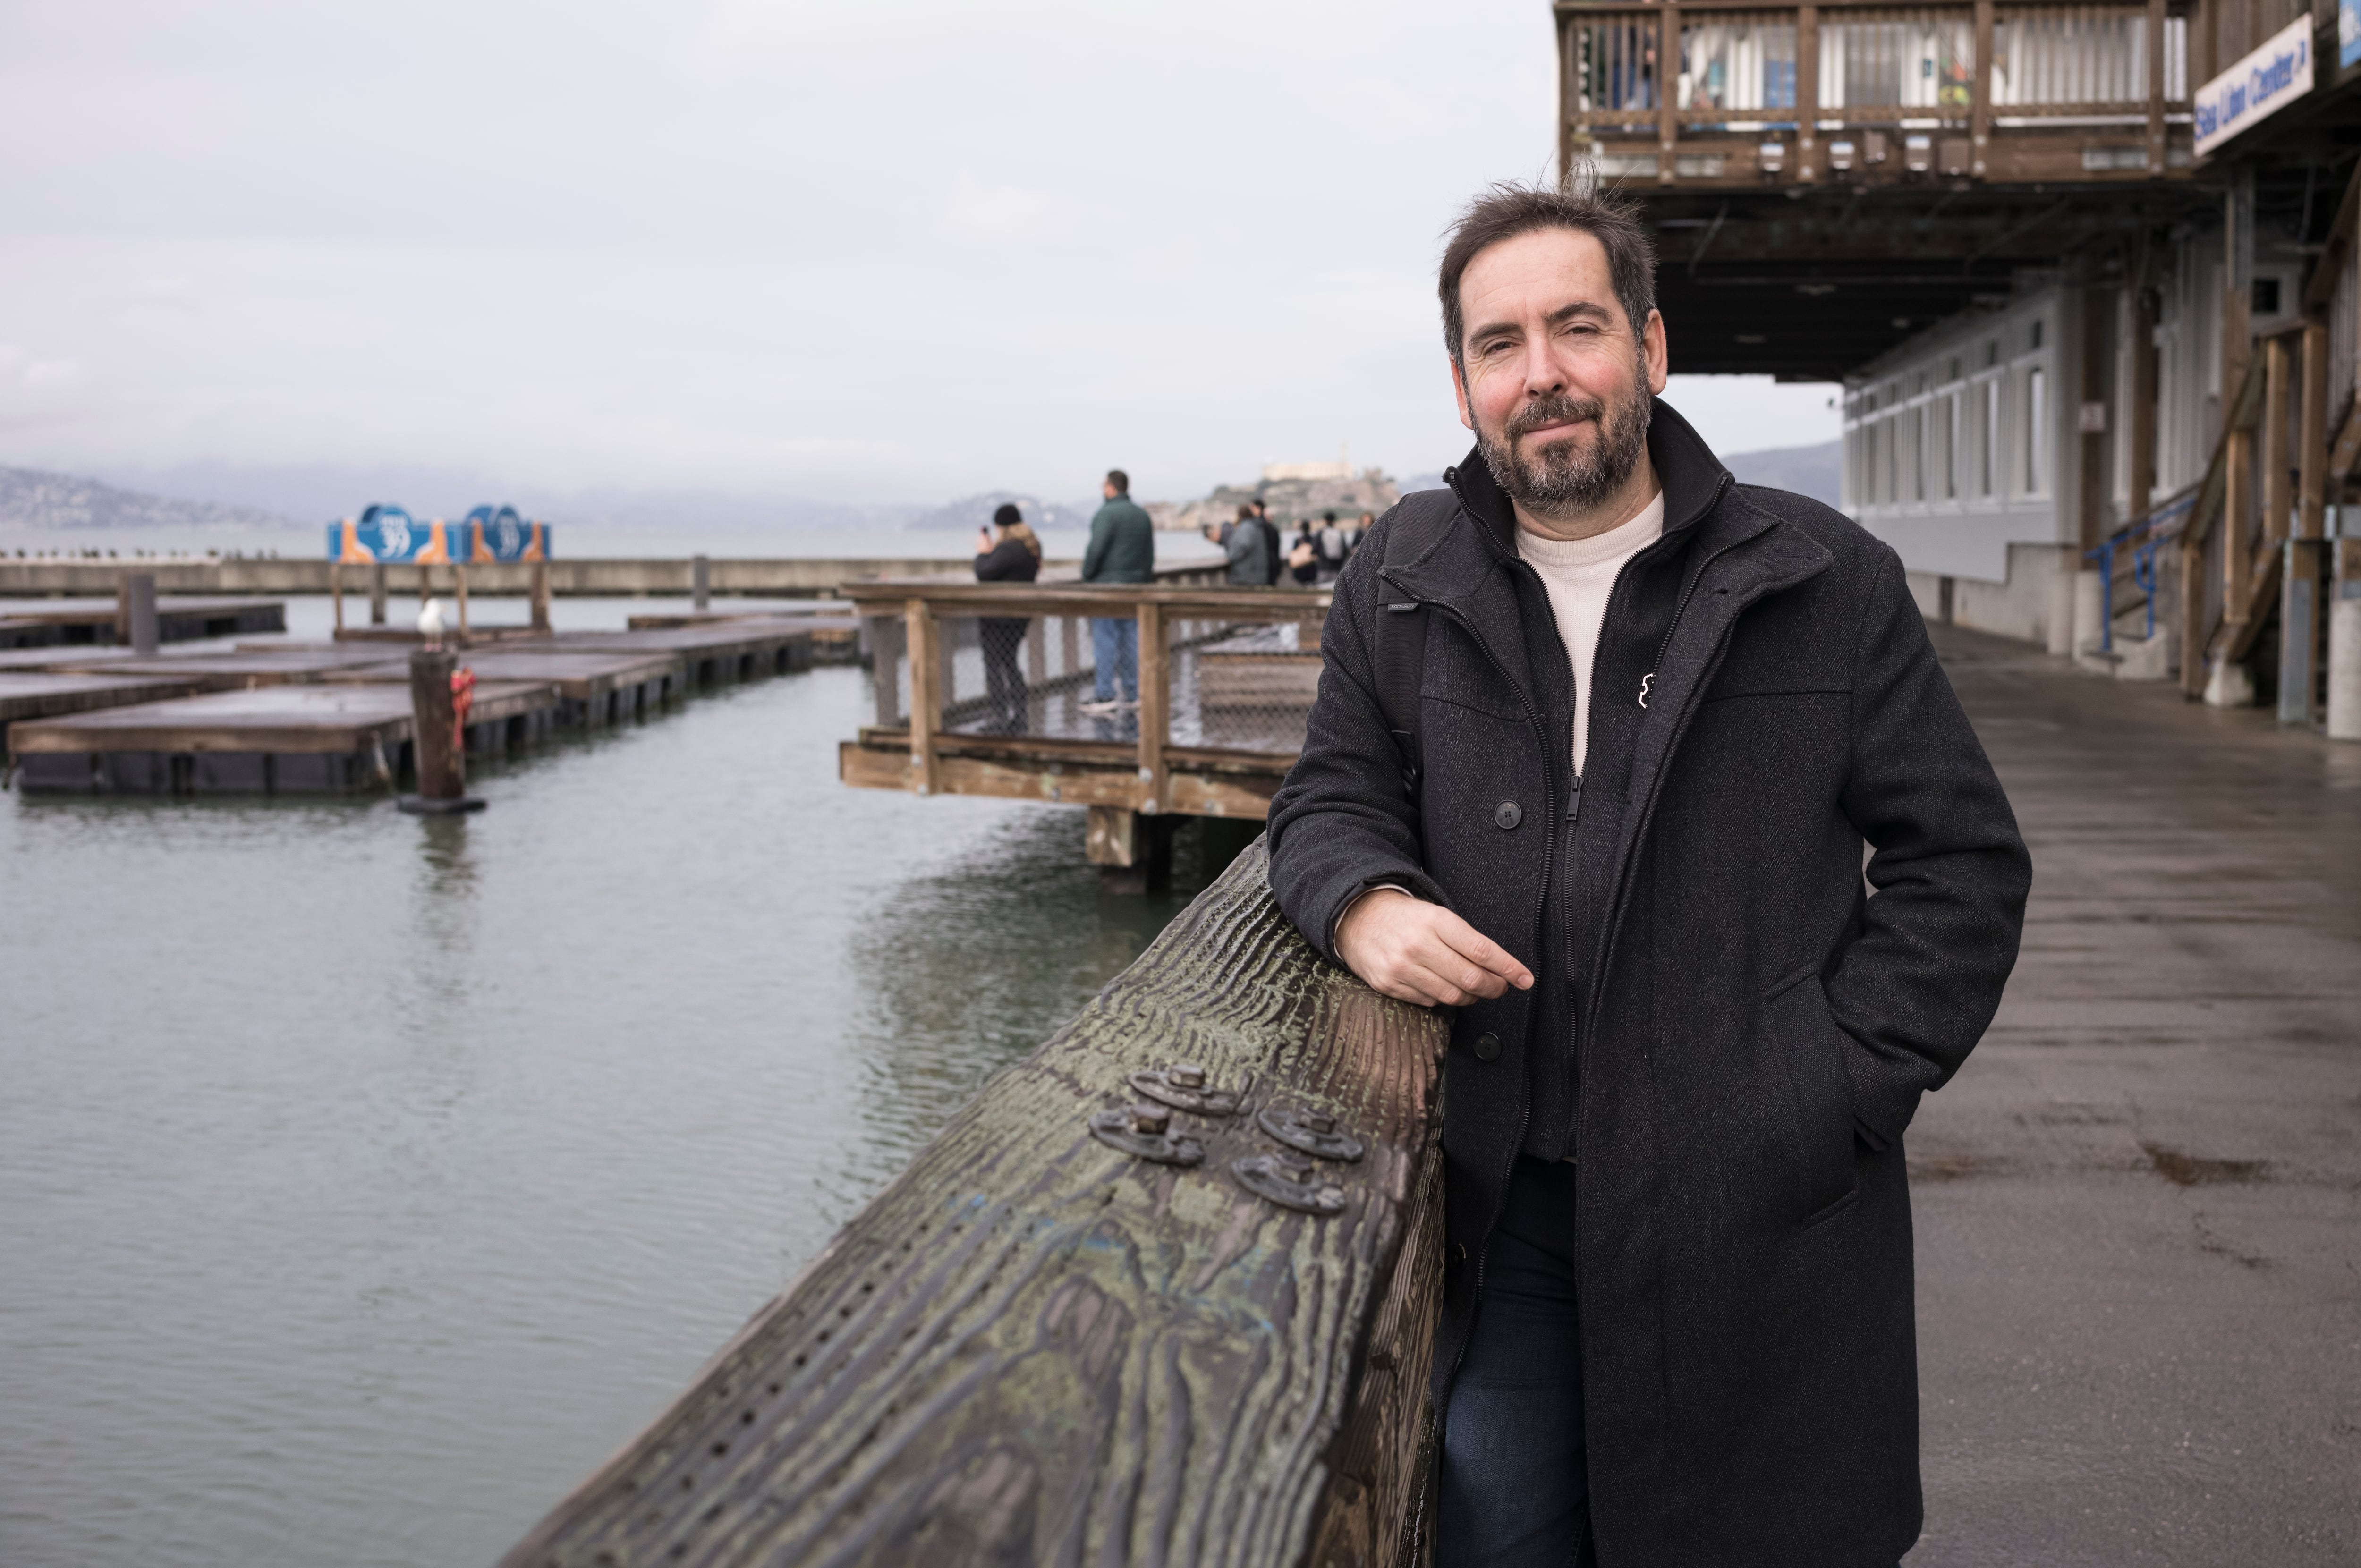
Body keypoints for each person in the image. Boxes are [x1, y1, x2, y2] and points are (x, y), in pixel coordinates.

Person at [1265, 180, 2030, 1567]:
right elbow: (1330, 790)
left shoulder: (1819, 580)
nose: (1540, 373)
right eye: (1499, 344)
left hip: (1758, 1217)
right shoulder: (1396, 572)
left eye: (1576, 327)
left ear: (1651, 350)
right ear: (1459, 386)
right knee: (1501, 1532)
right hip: (1502, 1212)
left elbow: (1960, 866)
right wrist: (1361, 902)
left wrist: (1823, 1087)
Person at [1080, 468, 1153, 712]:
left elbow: (1096, 551)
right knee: (1131, 640)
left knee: (1105, 641)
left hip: (1108, 587)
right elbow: (1149, 555)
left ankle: (1105, 694)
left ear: (1111, 488)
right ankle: (1133, 693)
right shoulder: (1142, 515)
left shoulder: (1106, 514)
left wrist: (1087, 575)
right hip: (1135, 587)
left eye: (1104, 486)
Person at [972, 502, 1040, 733]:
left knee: (994, 666)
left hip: (998, 618)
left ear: (1000, 526)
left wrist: (983, 553)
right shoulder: (1029, 547)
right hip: (1018, 617)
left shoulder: (1009, 549)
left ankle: (999, 718)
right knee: (1010, 664)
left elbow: (984, 572)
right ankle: (1019, 716)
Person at [1221, 503, 1272, 586]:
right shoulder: (1257, 526)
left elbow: (1243, 546)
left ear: (1239, 515)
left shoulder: (1246, 528)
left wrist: (1230, 557)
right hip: (1257, 574)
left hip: (1248, 576)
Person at [1252, 498, 1282, 586]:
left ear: (1258, 508)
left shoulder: (1258, 527)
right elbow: (1277, 548)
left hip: (1264, 566)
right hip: (1273, 563)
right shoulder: (1272, 528)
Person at [1286, 521, 1320, 585]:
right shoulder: (1313, 539)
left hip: (1301, 569)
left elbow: (1294, 554)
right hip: (1311, 568)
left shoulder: (1297, 540)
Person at [1317, 510, 1346, 576]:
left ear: (1325, 520)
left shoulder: (1322, 533)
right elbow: (1344, 549)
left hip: (1324, 566)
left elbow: (1315, 548)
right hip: (1338, 566)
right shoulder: (1339, 533)